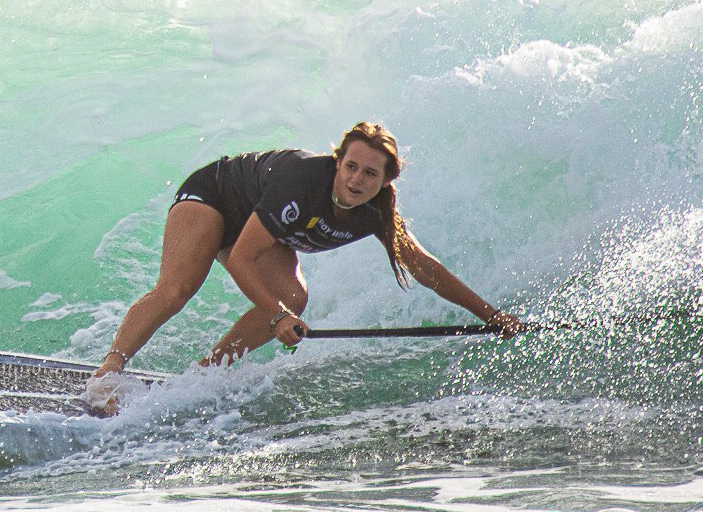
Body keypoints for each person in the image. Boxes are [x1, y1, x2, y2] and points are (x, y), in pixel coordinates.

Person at [85, 122, 523, 416]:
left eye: (370, 174)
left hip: (257, 226)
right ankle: (107, 374)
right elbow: (241, 258)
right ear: (338, 161)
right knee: (179, 288)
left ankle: (202, 375)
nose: (356, 180)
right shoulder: (301, 181)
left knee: (295, 298)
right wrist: (276, 319)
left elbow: (426, 268)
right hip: (215, 198)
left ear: (386, 181)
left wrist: (491, 316)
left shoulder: (378, 213)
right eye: (350, 167)